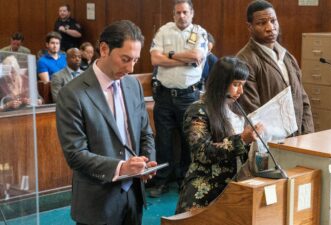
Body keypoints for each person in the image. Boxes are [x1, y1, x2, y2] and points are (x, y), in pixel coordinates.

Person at [55, 20, 157, 225]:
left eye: (135, 60)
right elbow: (75, 154)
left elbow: (145, 132)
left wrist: (147, 162)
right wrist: (122, 168)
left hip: (134, 196)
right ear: (103, 49)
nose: (130, 68)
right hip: (97, 203)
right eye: (125, 59)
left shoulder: (133, 85)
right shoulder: (72, 93)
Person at [175, 56, 261, 213]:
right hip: (207, 189)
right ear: (221, 84)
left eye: (243, 85)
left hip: (236, 186)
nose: (241, 91)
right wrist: (241, 140)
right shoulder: (198, 110)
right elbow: (202, 152)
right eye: (236, 85)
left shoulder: (237, 109)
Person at [149, 0, 208, 197]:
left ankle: (185, 180)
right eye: (178, 13)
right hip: (164, 96)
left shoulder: (200, 32)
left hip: (188, 96)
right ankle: (161, 180)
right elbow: (155, 59)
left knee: (187, 141)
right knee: (163, 142)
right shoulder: (164, 31)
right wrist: (183, 59)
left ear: (192, 13)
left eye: (185, 12)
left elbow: (196, 57)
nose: (181, 16)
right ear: (173, 14)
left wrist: (170, 55)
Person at [236, 0, 314, 135]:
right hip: (273, 142)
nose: (270, 27)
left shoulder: (287, 56)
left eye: (273, 21)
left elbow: (302, 99)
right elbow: (253, 111)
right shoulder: (245, 60)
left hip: (299, 139)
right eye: (261, 23)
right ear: (250, 27)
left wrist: (308, 134)